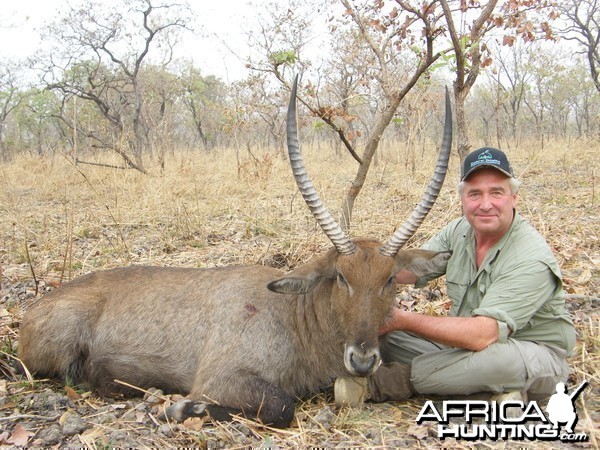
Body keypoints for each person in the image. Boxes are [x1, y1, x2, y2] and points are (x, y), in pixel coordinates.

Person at [335, 147, 576, 406]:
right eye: (475, 194)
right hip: (465, 351)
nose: (485, 204)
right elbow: (404, 272)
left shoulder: (531, 256)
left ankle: (383, 383)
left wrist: (402, 319)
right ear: (462, 199)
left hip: (530, 355)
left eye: (496, 192)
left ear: (514, 197)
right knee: (389, 338)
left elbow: (483, 334)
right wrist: (356, 267)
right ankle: (483, 393)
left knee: (500, 362)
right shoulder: (460, 231)